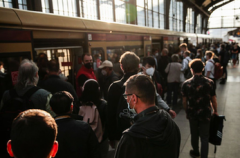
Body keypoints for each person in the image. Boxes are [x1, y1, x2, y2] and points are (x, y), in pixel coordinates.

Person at [115, 74, 181, 158]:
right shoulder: (171, 125)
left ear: (134, 98)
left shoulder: (131, 137)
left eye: (126, 96)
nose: (126, 100)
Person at [181, 59, 218, 158]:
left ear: (191, 70)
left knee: (194, 134)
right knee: (205, 136)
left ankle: (196, 151)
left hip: (192, 113)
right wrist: (215, 111)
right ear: (203, 69)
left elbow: (184, 101)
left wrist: (187, 111)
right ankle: (204, 156)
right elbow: (213, 99)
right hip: (205, 113)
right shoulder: (209, 82)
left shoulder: (186, 84)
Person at [50, 91, 99, 158]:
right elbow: (95, 152)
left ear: (51, 109)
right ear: (71, 107)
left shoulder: (48, 130)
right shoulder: (84, 127)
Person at [107, 51, 140, 149]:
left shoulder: (115, 87)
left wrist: (111, 137)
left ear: (121, 67)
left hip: (121, 135)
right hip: (142, 132)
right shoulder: (145, 84)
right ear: (138, 66)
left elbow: (110, 114)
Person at [80, 79, 108, 158]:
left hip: (84, 139)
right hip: (101, 139)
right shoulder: (103, 104)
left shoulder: (79, 104)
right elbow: (107, 122)